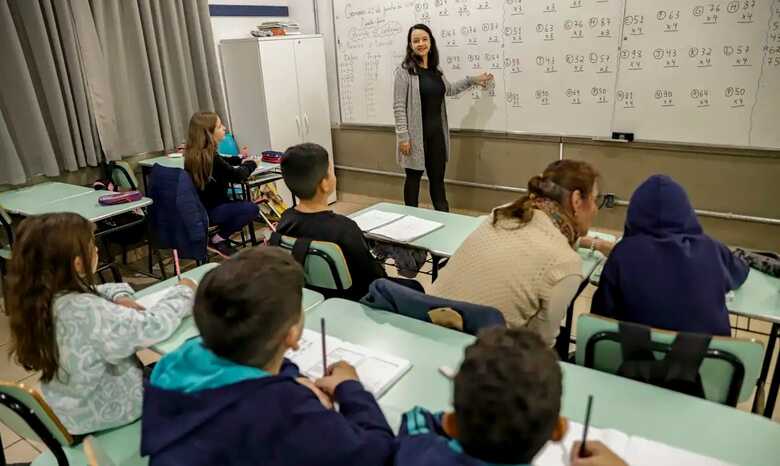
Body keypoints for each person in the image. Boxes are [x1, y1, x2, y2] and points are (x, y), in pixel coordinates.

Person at [141, 247, 395, 465]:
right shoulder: (288, 412)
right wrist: (350, 388)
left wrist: (289, 379)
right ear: (293, 334)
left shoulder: (177, 360)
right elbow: (379, 454)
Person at [5, 213, 196, 435]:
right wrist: (185, 290)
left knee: (164, 369)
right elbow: (154, 326)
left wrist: (119, 295)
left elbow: (96, 291)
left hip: (72, 408)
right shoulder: (86, 312)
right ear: (77, 263)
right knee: (196, 374)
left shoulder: (40, 298)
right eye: (92, 244)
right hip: (113, 410)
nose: (97, 250)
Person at [430, 160, 613, 346]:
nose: (596, 209)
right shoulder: (565, 263)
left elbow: (534, 236)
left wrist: (593, 244)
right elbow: (539, 345)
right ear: (576, 200)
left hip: (426, 328)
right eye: (595, 200)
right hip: (480, 359)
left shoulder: (503, 213)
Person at [394, 327, 627, 466]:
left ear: (451, 424)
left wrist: (472, 410)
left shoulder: (418, 452)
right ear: (559, 430)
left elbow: (416, 419)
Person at [591, 175, 749, 336]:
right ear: (686, 211)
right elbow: (740, 273)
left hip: (634, 356)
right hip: (707, 358)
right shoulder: (711, 249)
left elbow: (599, 318)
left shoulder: (622, 253)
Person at [393, 23, 494, 212]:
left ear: (430, 42)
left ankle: (443, 216)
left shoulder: (435, 70)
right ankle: (409, 218)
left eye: (424, 39)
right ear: (410, 45)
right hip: (415, 137)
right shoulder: (404, 72)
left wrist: (472, 80)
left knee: (437, 181)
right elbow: (398, 106)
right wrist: (403, 136)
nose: (421, 43)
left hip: (437, 135)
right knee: (413, 179)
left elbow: (449, 90)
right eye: (416, 40)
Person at [276, 143, 388, 300]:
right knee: (414, 287)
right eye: (331, 171)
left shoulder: (285, 220)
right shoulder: (344, 228)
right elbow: (375, 279)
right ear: (325, 183)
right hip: (354, 302)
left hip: (312, 298)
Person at [184, 111, 259, 257]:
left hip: (202, 208)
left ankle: (218, 239)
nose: (224, 128)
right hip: (213, 211)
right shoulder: (211, 158)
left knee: (241, 205)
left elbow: (224, 161)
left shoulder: (196, 154)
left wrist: (239, 159)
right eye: (219, 126)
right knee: (251, 209)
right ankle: (217, 239)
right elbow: (238, 176)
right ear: (208, 133)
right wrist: (252, 164)